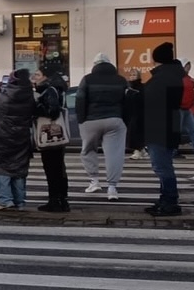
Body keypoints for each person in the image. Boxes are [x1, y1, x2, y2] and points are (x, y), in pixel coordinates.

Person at [142, 43, 186, 216]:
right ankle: (165, 199)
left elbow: (151, 100)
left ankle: (170, 201)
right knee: (163, 165)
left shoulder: (162, 78)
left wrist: (137, 91)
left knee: (162, 166)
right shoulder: (173, 75)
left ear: (157, 59)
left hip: (159, 126)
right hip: (167, 124)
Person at [75, 53, 128, 200]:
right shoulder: (121, 80)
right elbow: (127, 101)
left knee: (88, 150)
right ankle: (112, 188)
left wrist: (81, 120)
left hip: (91, 120)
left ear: (95, 65)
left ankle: (94, 181)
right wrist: (124, 119)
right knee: (114, 154)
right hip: (114, 119)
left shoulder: (87, 79)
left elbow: (80, 99)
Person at [0, 72, 36, 210]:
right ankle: (19, 201)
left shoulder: (1, 98)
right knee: (19, 168)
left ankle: (4, 199)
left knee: (1, 167)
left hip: (2, 137)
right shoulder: (30, 98)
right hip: (22, 137)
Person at [31, 69, 70, 213]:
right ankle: (61, 200)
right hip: (56, 135)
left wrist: (36, 109)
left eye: (38, 75)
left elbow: (53, 111)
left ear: (46, 77)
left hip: (49, 135)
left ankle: (55, 201)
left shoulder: (49, 91)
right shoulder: (55, 89)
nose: (35, 77)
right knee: (58, 168)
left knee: (52, 169)